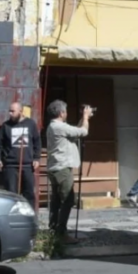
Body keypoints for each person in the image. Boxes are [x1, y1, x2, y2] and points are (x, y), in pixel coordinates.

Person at [46, 100, 91, 244]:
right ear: (61, 113)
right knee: (68, 199)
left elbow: (74, 133)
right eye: (65, 111)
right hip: (62, 169)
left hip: (56, 168)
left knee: (57, 200)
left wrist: (82, 119)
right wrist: (85, 118)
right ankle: (61, 232)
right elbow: (83, 132)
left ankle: (54, 229)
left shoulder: (54, 127)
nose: (66, 113)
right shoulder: (59, 127)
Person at [0, 102, 41, 209]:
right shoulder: (6, 126)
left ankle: (30, 218)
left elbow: (37, 142)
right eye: (9, 111)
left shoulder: (30, 124)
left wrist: (37, 158)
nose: (10, 114)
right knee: (11, 194)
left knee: (29, 193)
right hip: (10, 165)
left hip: (27, 165)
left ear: (20, 111)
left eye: (13, 111)